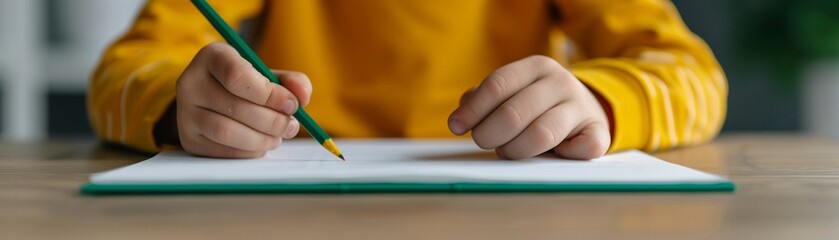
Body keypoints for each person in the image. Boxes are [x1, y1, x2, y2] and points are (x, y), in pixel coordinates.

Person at [88, 0, 726, 160]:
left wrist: (598, 103)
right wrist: (180, 106)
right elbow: (121, 71)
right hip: (290, 215)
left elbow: (693, 76)